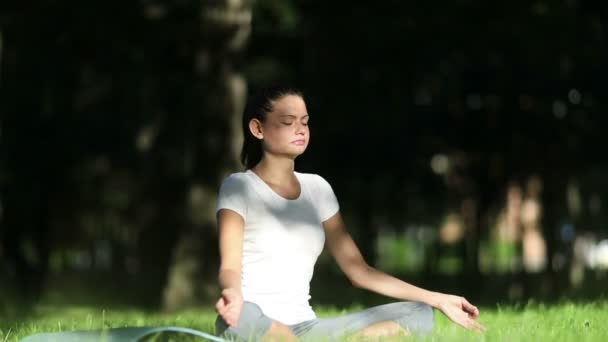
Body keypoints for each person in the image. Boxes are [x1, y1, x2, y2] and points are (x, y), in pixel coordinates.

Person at [214, 86, 486, 341]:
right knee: (242, 318)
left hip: (308, 327)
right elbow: (230, 266)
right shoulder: (240, 187)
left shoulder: (317, 189)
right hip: (254, 319)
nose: (300, 129)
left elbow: (359, 271)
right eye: (287, 122)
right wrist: (232, 294)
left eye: (305, 122)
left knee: (418, 312)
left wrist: (437, 299)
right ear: (257, 128)